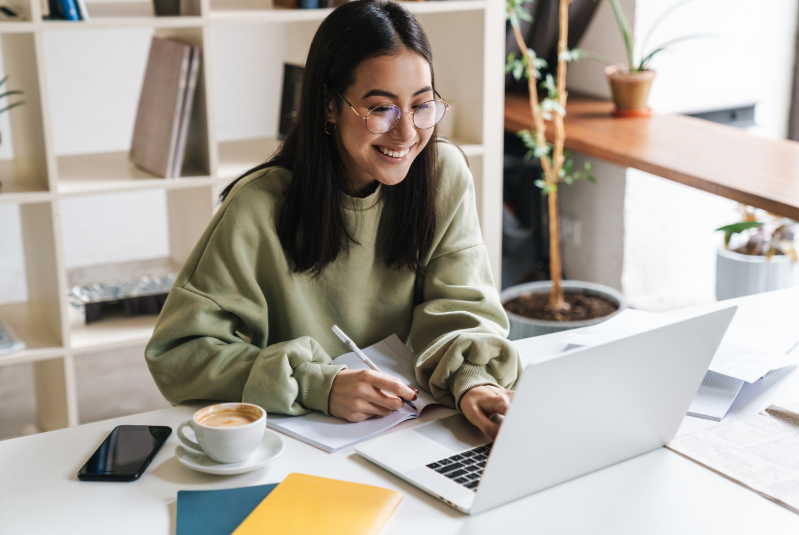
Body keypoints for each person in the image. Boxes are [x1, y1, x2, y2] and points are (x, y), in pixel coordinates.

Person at [145, 0, 521, 439]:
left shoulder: (444, 176)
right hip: (297, 444)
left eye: (422, 106)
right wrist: (316, 384)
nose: (407, 134)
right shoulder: (258, 207)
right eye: (381, 109)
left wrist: (474, 379)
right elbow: (179, 354)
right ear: (329, 105)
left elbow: (462, 308)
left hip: (415, 430)